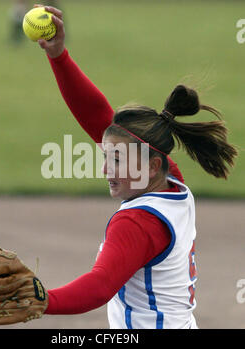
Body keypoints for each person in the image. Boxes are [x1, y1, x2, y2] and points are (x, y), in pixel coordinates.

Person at [35, 5, 238, 329]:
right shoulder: (172, 185)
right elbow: (99, 118)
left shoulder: (137, 222)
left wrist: (40, 300)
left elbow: (100, 286)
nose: (106, 170)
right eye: (107, 157)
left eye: (117, 160)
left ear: (153, 165)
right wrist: (59, 57)